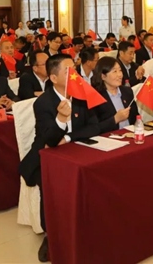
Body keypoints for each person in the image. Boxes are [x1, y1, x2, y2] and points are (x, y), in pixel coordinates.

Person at [18, 54, 100, 263]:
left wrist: (69, 137)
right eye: (68, 71)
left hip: (77, 148)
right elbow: (49, 140)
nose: (74, 75)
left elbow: (94, 126)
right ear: (53, 78)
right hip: (47, 153)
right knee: (51, 185)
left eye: (75, 70)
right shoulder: (43, 103)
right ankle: (50, 234)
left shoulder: (80, 94)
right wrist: (61, 120)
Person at [92, 57, 138, 134]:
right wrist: (115, 119)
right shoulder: (96, 97)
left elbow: (136, 117)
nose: (119, 75)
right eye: (115, 71)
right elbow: (94, 128)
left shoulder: (127, 92)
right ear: (103, 76)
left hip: (130, 135)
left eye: (120, 70)